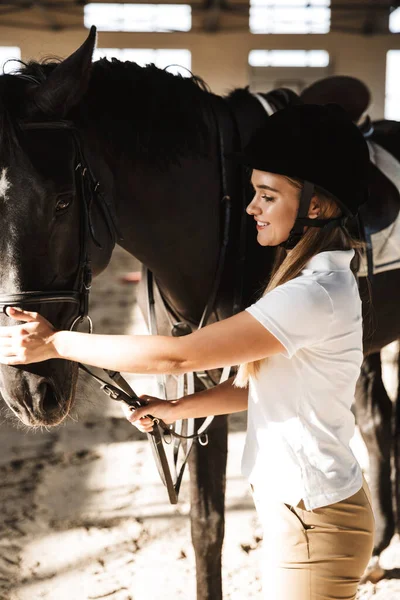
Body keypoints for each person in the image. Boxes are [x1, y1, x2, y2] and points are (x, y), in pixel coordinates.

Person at [0, 104, 375, 599]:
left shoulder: (312, 294)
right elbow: (258, 389)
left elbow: (181, 356)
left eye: (267, 195)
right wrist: (177, 408)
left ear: (316, 207)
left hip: (312, 522)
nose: (250, 208)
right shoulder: (310, 282)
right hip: (307, 514)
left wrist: (55, 343)